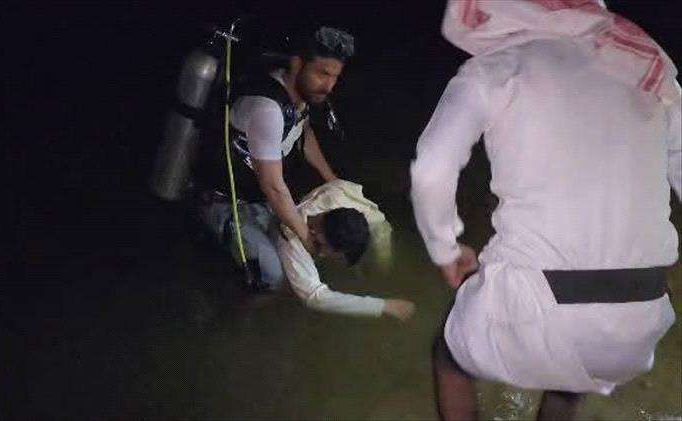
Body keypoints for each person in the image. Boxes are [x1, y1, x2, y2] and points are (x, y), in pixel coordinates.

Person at [410, 1, 680, 419]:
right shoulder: (650, 72)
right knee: (572, 375)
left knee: (450, 356)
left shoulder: (498, 67)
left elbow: (431, 168)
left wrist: (445, 250)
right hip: (642, 315)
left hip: (537, 307)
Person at [197, 25, 355, 291]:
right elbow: (273, 187)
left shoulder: (300, 95)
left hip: (261, 195)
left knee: (309, 250)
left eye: (335, 77)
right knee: (276, 276)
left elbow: (303, 134)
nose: (329, 86)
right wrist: (305, 237)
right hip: (226, 200)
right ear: (297, 64)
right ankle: (245, 309)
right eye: (322, 74)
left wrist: (333, 181)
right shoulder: (267, 110)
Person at [277, 179, 416, 320]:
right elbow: (315, 297)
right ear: (317, 236)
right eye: (322, 248)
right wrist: (383, 306)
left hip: (314, 205)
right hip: (278, 211)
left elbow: (380, 226)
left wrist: (383, 262)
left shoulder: (342, 196)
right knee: (277, 277)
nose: (323, 254)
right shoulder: (292, 239)